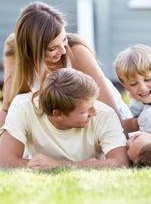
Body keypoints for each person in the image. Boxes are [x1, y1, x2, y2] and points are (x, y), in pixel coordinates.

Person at [0, 2, 131, 127]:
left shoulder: (76, 52)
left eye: (64, 39)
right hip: (64, 130)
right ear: (31, 49)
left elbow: (111, 111)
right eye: (52, 48)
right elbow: (7, 108)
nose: (63, 50)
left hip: (106, 121)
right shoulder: (14, 51)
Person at [0, 68, 129, 169]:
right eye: (85, 111)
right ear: (57, 114)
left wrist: (60, 165)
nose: (94, 112)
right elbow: (5, 161)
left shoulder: (104, 114)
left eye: (93, 103)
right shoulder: (24, 106)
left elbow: (121, 163)